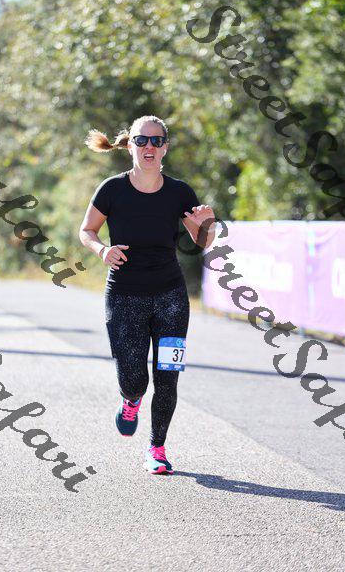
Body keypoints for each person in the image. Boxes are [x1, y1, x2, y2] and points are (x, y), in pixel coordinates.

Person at [79, 115, 215, 475]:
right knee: (134, 379)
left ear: (165, 147)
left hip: (171, 298)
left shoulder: (180, 192)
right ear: (130, 146)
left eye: (156, 141)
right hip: (124, 295)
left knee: (168, 376)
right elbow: (87, 230)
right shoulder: (112, 189)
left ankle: (157, 448)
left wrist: (208, 224)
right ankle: (131, 400)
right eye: (141, 140)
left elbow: (202, 242)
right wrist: (102, 250)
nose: (149, 147)